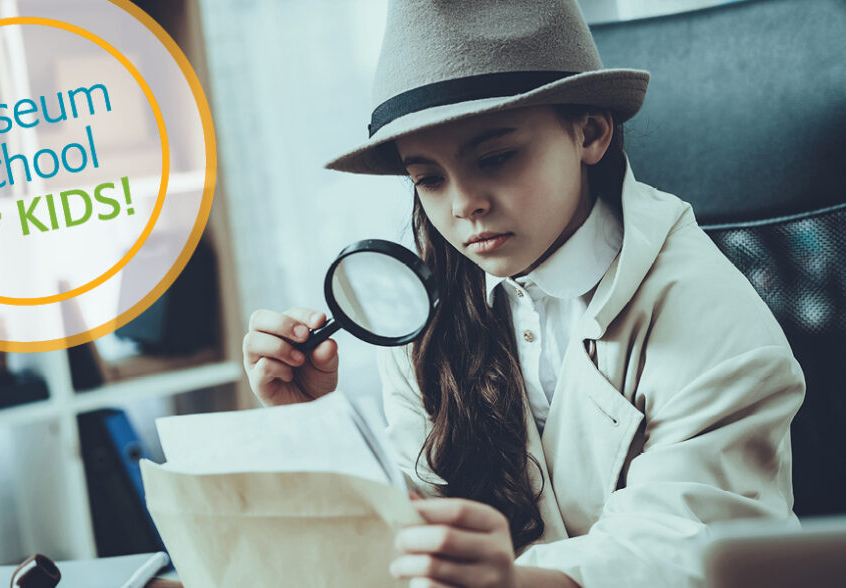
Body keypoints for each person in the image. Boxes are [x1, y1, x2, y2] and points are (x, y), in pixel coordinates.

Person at [242, 1, 805, 586]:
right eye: (428, 178)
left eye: (495, 157)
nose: (463, 206)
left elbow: (685, 554)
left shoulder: (711, 315)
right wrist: (314, 428)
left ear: (589, 132)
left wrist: (512, 581)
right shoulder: (424, 318)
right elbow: (413, 526)